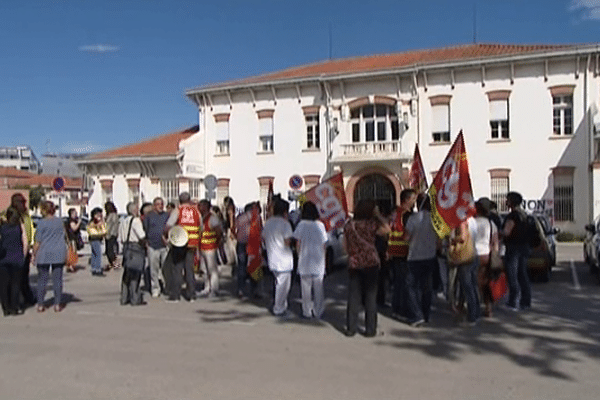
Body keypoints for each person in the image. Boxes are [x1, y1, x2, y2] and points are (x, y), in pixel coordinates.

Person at [343, 199, 390, 337]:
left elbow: (344, 246)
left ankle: (350, 328)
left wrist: (352, 254)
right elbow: (387, 229)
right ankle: (370, 329)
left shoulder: (349, 225)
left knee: (353, 297)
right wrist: (378, 216)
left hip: (355, 263)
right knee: (370, 297)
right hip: (371, 263)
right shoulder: (372, 224)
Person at [404, 195, 439, 327]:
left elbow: (406, 238)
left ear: (418, 204)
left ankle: (417, 315)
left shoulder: (413, 219)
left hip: (414, 257)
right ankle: (426, 314)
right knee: (427, 288)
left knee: (410, 286)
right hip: (430, 256)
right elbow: (439, 240)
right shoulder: (435, 220)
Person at [292, 201, 328, 319]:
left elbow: (298, 243)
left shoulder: (301, 225)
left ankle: (306, 311)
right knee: (318, 289)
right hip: (318, 261)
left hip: (304, 260)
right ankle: (318, 311)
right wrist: (324, 258)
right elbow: (324, 244)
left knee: (305, 289)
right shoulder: (320, 225)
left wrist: (299, 255)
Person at [32, 201, 67, 312]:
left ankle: (41, 304)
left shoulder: (41, 223)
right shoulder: (60, 222)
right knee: (58, 280)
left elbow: (38, 241)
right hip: (58, 252)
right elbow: (64, 236)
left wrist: (33, 254)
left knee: (42, 280)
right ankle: (57, 304)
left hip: (44, 253)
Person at [164, 192, 199, 302]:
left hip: (180, 243)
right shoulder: (196, 211)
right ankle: (191, 295)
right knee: (190, 270)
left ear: (179, 201)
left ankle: (176, 295)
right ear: (189, 200)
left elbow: (168, 226)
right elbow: (201, 226)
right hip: (192, 243)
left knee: (177, 269)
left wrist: (166, 235)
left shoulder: (178, 210)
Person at [387, 188, 417, 317]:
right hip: (405, 251)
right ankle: (402, 309)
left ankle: (396, 309)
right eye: (414, 198)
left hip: (395, 251)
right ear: (407, 199)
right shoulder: (407, 215)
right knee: (405, 284)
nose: (415, 201)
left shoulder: (395, 213)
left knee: (398, 283)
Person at [262, 199, 294, 317]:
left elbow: (264, 238)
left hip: (272, 257)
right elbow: (287, 241)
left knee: (279, 283)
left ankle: (282, 306)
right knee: (283, 286)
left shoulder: (268, 222)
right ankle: (279, 308)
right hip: (284, 259)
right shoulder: (285, 224)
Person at [502, 191, 532, 311]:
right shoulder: (525, 215)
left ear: (511, 202)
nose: (505, 202)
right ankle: (526, 301)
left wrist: (499, 233)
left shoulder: (512, 216)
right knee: (522, 275)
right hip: (524, 247)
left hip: (513, 248)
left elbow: (507, 232)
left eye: (507, 200)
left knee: (512, 275)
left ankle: (513, 301)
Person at [448, 217, 481, 325]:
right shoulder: (473, 221)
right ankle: (476, 312)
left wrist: (452, 239)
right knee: (472, 285)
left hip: (465, 257)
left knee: (468, 287)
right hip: (472, 255)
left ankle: (472, 316)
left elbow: (462, 237)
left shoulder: (462, 222)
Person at [473, 197, 499, 317]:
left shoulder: (472, 222)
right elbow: (495, 243)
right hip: (486, 255)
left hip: (472, 255)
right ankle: (488, 308)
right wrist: (495, 256)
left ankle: (473, 306)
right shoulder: (491, 224)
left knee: (471, 282)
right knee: (486, 282)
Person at [9, 193, 36, 308]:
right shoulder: (10, 215)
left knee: (23, 277)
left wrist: (31, 246)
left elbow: (31, 231)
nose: (24, 204)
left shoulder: (26, 216)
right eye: (22, 202)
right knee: (18, 278)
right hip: (15, 249)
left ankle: (25, 298)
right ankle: (21, 299)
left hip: (25, 249)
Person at [0, 207, 28, 316]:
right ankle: (14, 307)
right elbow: (25, 242)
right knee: (15, 284)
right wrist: (23, 256)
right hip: (17, 259)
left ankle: (6, 309)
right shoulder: (19, 227)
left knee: (3, 285)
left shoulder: (2, 227)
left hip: (3, 260)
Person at [119, 202, 147, 306]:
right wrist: (146, 244)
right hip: (136, 248)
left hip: (126, 247)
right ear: (134, 210)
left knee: (127, 274)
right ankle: (135, 298)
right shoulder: (136, 221)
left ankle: (124, 297)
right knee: (135, 273)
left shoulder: (123, 220)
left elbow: (120, 237)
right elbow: (141, 235)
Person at [143, 197, 169, 298]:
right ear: (154, 206)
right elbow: (145, 229)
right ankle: (155, 288)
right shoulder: (149, 216)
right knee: (153, 269)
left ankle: (167, 287)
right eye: (158, 204)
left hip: (164, 246)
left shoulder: (166, 215)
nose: (160, 206)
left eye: (162, 204)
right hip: (153, 246)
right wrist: (147, 242)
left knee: (166, 268)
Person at [198, 200, 223, 297]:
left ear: (206, 207)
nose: (199, 208)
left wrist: (216, 242)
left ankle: (214, 289)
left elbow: (218, 231)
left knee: (212, 269)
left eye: (201, 206)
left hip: (210, 247)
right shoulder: (202, 218)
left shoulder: (213, 218)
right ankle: (207, 287)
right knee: (204, 269)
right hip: (202, 247)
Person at [234, 202, 260, 298]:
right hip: (253, 245)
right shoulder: (256, 217)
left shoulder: (240, 217)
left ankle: (241, 290)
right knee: (253, 266)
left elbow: (235, 228)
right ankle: (254, 291)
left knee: (241, 267)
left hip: (241, 243)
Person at [87, 207, 107, 276]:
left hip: (94, 239)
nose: (100, 215)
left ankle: (94, 268)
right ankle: (97, 269)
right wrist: (101, 223)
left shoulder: (92, 222)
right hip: (95, 238)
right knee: (98, 254)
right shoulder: (94, 222)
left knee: (94, 254)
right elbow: (103, 230)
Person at [65, 208, 82, 273]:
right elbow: (74, 228)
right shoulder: (71, 221)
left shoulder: (72, 220)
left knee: (72, 252)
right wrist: (79, 223)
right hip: (72, 238)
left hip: (72, 238)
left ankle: (71, 265)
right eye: (74, 213)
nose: (76, 215)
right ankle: (71, 265)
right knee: (72, 252)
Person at [104, 202, 120, 270]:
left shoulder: (113, 215)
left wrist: (108, 233)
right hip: (110, 234)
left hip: (111, 234)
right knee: (108, 250)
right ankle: (111, 263)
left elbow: (111, 225)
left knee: (110, 250)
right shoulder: (110, 215)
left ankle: (114, 263)